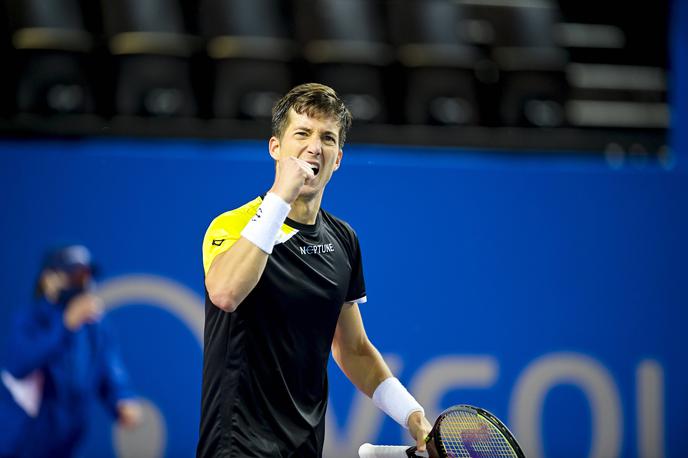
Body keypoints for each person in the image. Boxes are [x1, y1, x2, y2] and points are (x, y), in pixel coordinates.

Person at [198, 83, 432, 457]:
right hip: (237, 446)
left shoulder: (343, 239)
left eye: (327, 138)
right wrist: (281, 197)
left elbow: (353, 348)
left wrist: (413, 417)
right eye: (302, 133)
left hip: (305, 447)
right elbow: (226, 293)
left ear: (337, 158)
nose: (314, 147)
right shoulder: (233, 226)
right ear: (276, 147)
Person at [0, 245, 141, 458]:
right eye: (74, 275)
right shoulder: (29, 320)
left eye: (87, 274)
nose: (84, 283)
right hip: (21, 444)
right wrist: (66, 326)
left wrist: (121, 400)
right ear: (48, 279)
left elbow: (108, 370)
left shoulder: (95, 326)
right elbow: (18, 365)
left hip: (66, 444)